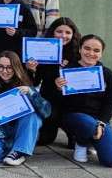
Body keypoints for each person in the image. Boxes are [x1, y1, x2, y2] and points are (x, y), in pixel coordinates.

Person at [58, 35, 112, 167]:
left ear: (101, 53)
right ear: (80, 49)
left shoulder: (107, 75)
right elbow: (58, 103)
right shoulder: (67, 71)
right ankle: (81, 143)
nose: (91, 53)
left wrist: (102, 123)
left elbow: (110, 103)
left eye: (96, 50)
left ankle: (90, 137)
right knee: (87, 123)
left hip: (97, 118)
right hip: (73, 117)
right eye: (87, 48)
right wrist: (58, 89)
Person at [0, 51, 51, 166]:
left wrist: (32, 94)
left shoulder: (25, 83)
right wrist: (6, 138)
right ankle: (18, 149)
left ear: (16, 68)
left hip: (22, 129)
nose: (5, 71)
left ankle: (19, 150)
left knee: (32, 114)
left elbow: (46, 111)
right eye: (1, 67)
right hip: (1, 131)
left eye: (9, 68)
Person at [27, 17, 81, 146]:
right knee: (44, 140)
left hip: (72, 102)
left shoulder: (78, 53)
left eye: (68, 33)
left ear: (73, 34)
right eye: (59, 31)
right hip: (50, 99)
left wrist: (69, 68)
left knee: (73, 125)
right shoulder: (42, 50)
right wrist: (31, 70)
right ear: (52, 32)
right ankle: (51, 126)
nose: (63, 36)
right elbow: (34, 83)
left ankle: (74, 133)